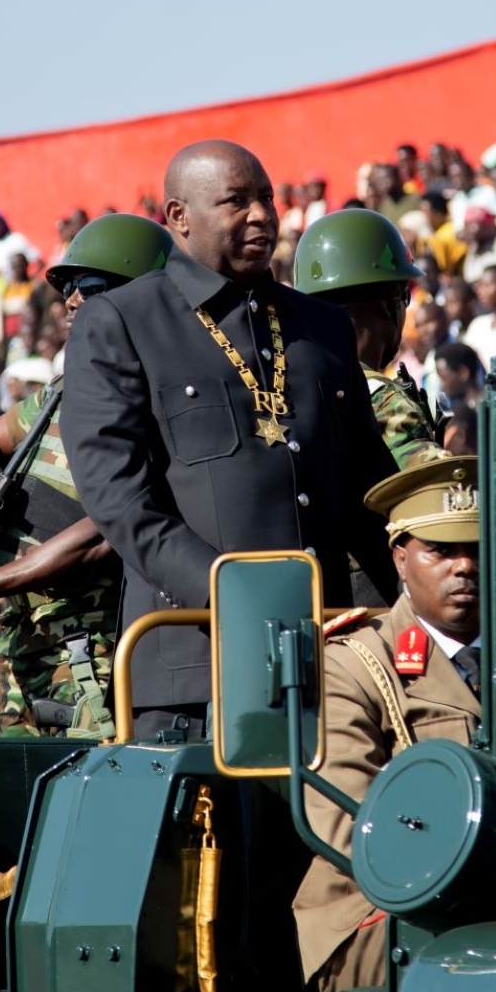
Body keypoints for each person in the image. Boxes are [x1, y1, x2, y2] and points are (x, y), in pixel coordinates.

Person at [61, 140, 397, 739]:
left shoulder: (321, 327)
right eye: (236, 202)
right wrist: (234, 593)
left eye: (266, 198)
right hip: (193, 670)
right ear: (179, 217)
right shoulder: (121, 322)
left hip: (327, 661)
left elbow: (370, 491)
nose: (262, 215)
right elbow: (120, 499)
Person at [0, 213, 173, 738]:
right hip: (25, 640)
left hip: (89, 655)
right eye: (69, 288)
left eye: (91, 287)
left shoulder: (159, 405)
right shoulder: (66, 390)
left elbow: (103, 536)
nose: (72, 301)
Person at [294, 455, 482, 992]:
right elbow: (347, 829)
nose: (464, 567)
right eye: (441, 551)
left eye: (476, 549)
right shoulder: (353, 664)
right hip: (389, 910)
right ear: (400, 558)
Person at [293, 208, 443, 465]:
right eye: (404, 297)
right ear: (387, 304)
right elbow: (436, 494)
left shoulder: (288, 386)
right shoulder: (383, 400)